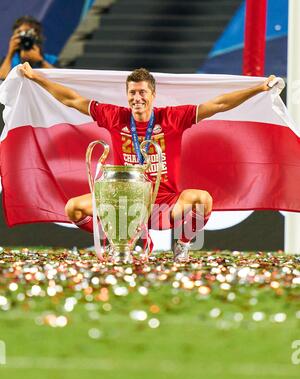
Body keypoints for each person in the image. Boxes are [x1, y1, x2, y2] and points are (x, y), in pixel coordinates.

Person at [19, 62, 276, 261]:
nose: (136, 98)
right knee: (73, 208)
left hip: (164, 204)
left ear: (153, 94)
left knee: (203, 199)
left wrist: (258, 88)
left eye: (142, 92)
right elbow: (72, 100)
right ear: (126, 95)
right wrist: (36, 78)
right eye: (132, 93)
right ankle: (116, 239)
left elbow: (219, 104)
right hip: (122, 206)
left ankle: (183, 246)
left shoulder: (173, 118)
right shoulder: (114, 116)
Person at [0, 16, 57, 80]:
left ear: (37, 36)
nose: (24, 37)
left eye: (28, 33)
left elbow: (60, 80)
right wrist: (10, 54)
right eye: (19, 32)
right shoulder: (9, 60)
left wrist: (41, 61)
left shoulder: (51, 59)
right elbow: (1, 80)